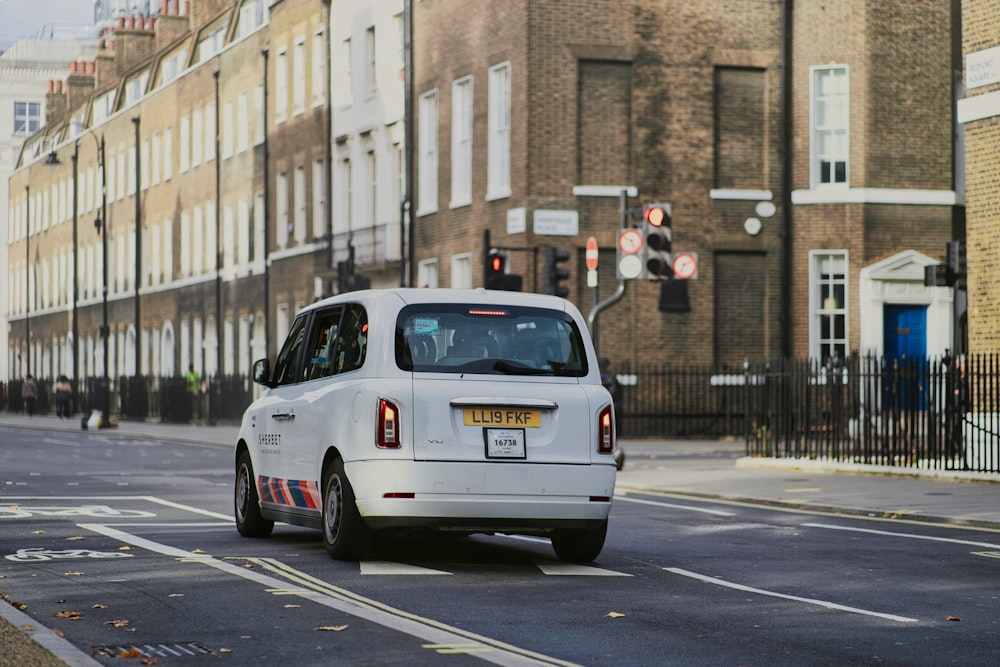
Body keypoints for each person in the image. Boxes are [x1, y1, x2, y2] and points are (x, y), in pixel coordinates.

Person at [599, 357, 625, 471]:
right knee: (611, 438)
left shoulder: (599, 379)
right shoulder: (612, 379)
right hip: (613, 412)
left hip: (609, 412)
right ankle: (613, 458)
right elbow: (618, 397)